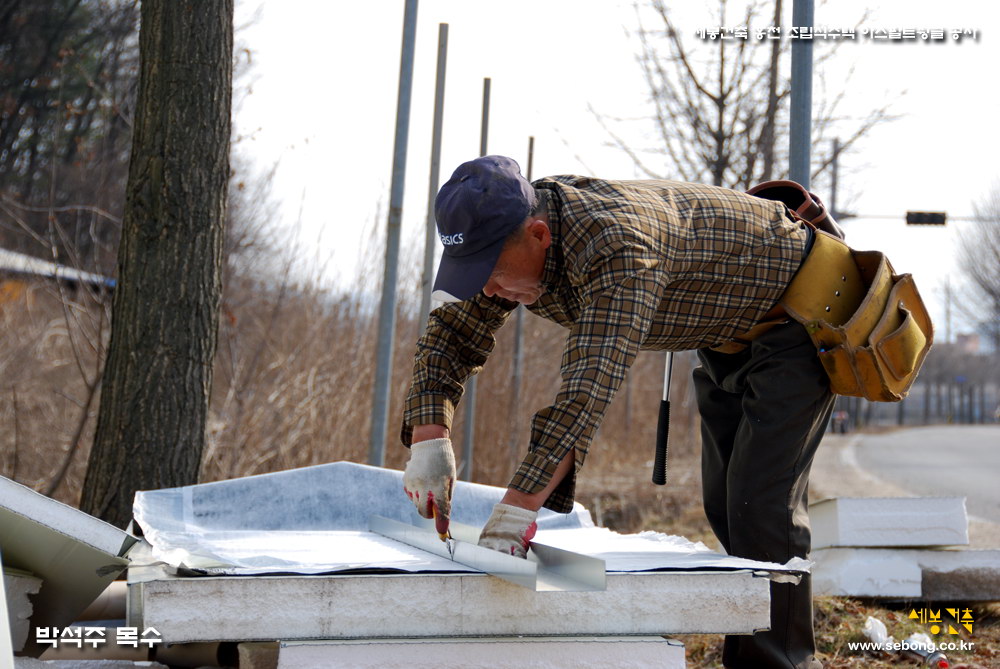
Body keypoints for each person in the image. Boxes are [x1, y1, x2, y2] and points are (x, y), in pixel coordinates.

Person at [401, 155, 836, 669]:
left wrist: (517, 513)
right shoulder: (508, 232)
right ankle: (755, 648)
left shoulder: (617, 248)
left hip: (800, 325)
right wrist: (430, 440)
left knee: (762, 507)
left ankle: (781, 663)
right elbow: (452, 333)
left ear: (538, 235)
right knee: (726, 506)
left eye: (491, 273)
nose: (488, 290)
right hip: (722, 336)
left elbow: (586, 393)